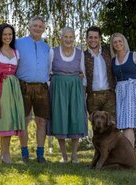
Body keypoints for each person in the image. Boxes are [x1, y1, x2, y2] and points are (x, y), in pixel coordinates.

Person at [0, 23, 25, 164]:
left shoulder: (16, 52)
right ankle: (6, 155)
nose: (7, 37)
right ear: (0, 36)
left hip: (13, 88)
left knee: (11, 120)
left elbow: (15, 71)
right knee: (4, 120)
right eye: (5, 34)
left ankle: (3, 154)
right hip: (0, 88)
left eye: (10, 34)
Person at [49, 27, 88, 163]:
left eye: (71, 37)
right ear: (61, 38)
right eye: (65, 37)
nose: (68, 40)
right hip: (59, 89)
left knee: (75, 118)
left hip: (75, 88)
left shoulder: (79, 53)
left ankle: (74, 155)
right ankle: (64, 156)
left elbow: (83, 73)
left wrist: (83, 91)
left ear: (74, 38)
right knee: (60, 118)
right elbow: (48, 72)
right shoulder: (53, 52)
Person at [16, 16, 50, 163]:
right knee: (23, 120)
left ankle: (40, 154)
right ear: (29, 27)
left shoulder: (47, 47)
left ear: (44, 29)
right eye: (34, 25)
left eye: (40, 26)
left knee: (41, 121)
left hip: (42, 87)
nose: (37, 28)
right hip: (23, 86)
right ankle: (24, 153)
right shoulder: (18, 43)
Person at [110, 32, 136, 147]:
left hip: (132, 90)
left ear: (124, 42)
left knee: (128, 123)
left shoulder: (134, 55)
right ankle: (130, 153)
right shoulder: (113, 60)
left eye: (120, 41)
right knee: (123, 124)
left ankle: (129, 154)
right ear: (112, 45)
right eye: (115, 42)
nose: (118, 44)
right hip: (120, 92)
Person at [84, 26, 116, 119]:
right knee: (97, 127)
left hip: (109, 95)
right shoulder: (83, 55)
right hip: (92, 97)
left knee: (111, 126)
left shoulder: (108, 52)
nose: (93, 40)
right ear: (86, 39)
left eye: (95, 37)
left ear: (99, 39)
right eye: (90, 37)